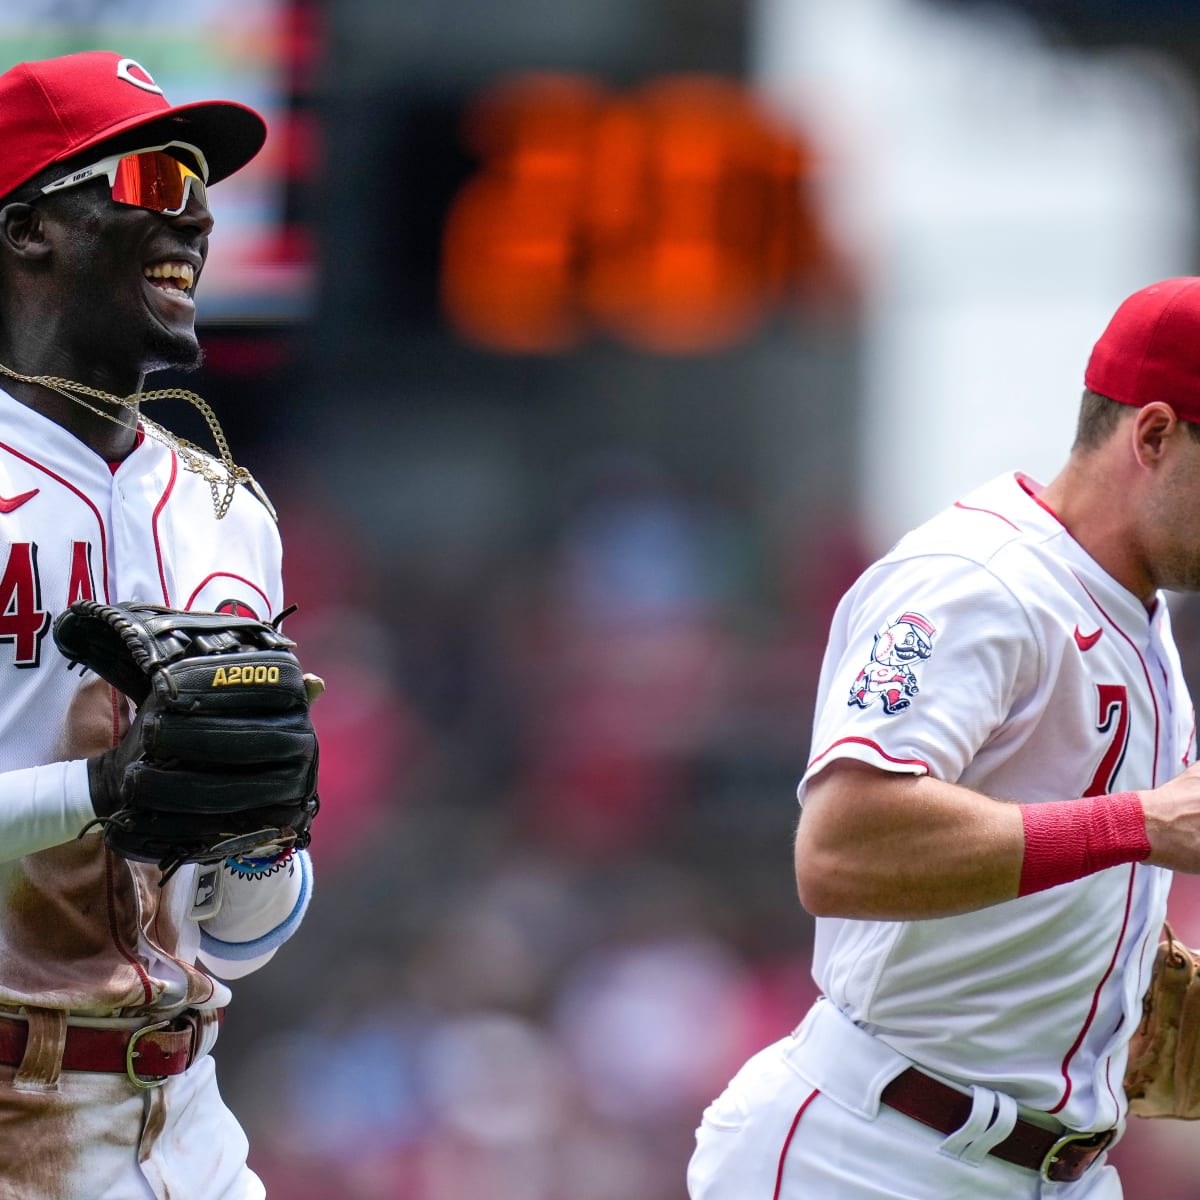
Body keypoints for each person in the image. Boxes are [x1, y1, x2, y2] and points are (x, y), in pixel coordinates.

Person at [687, 276, 1200, 1199]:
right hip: (871, 1156)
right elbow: (840, 850)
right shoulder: (977, 582)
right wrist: (1134, 825)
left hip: (1058, 1169)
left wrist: (1108, 1000)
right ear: (1155, 435)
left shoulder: (1136, 607)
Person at [0, 51, 315, 1200]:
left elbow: (238, 938)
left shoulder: (231, 506)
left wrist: (261, 832)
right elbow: (114, 791)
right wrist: (102, 790)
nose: (195, 213)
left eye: (203, 187)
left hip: (183, 1113)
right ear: (32, 228)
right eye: (151, 179)